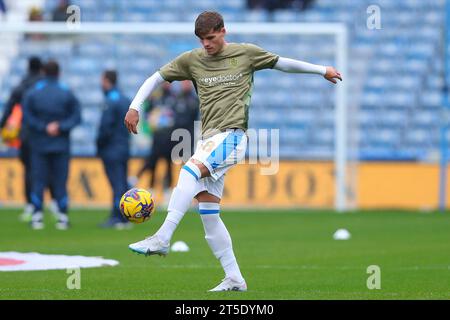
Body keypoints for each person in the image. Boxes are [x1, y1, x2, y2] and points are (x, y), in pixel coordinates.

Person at [124, 11, 342, 291]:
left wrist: (322, 69)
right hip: (210, 140)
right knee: (209, 213)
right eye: (202, 40)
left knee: (189, 169)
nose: (207, 44)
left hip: (233, 137)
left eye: (211, 38)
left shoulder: (246, 54)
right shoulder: (192, 60)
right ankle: (234, 278)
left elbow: (281, 63)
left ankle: (163, 237)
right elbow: (156, 77)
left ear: (223, 31)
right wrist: (135, 106)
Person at [22, 60, 81, 230]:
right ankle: (62, 217)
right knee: (60, 181)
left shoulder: (34, 92)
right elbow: (76, 116)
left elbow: (27, 116)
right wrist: (61, 126)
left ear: (43, 72)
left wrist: (43, 127)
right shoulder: (66, 92)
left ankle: (37, 217)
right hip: (61, 144)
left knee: (38, 180)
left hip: (39, 144)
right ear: (58, 72)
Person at [129, 81, 198, 203]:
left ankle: (170, 193)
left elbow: (178, 117)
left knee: (169, 165)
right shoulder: (156, 97)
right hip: (158, 137)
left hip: (170, 137)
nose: (167, 84)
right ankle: (150, 191)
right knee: (153, 163)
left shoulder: (175, 97)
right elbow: (148, 112)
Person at [97, 70, 131, 229]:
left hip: (111, 148)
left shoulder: (110, 100)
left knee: (117, 183)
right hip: (124, 146)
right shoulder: (125, 99)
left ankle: (118, 216)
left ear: (106, 81)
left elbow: (105, 127)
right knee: (122, 182)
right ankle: (126, 215)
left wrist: (99, 145)